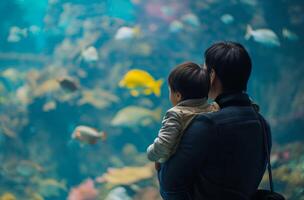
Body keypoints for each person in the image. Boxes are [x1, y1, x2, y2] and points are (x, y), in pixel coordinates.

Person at [157, 41, 271, 200]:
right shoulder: (262, 123)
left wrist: (160, 164)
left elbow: (170, 186)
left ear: (212, 76)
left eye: (204, 70)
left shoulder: (207, 124)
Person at [146, 62, 219, 167]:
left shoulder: (175, 114)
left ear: (178, 95)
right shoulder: (214, 108)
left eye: (170, 90)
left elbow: (163, 145)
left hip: (180, 170)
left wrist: (151, 153)